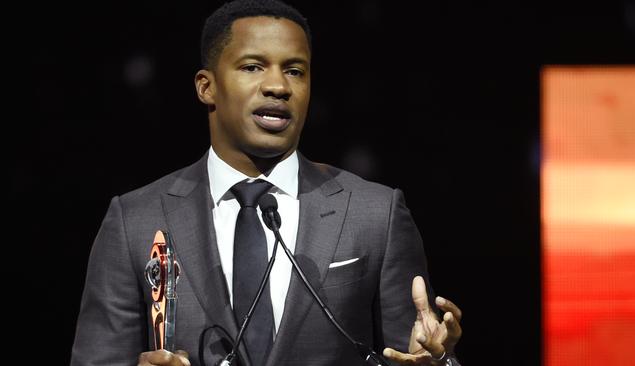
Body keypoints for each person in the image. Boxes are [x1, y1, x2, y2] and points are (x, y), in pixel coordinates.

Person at [70, 1, 463, 365]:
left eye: (295, 70)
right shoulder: (133, 220)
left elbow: (415, 353)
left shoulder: (376, 213)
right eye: (253, 67)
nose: (279, 86)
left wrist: (440, 362)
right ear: (207, 87)